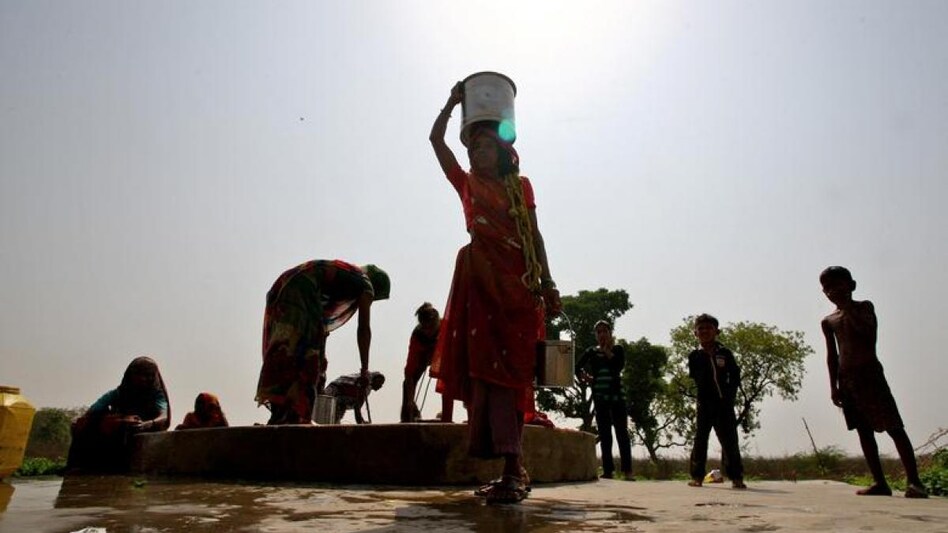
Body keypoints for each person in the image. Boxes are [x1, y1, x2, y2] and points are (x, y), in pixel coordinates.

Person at [428, 81, 561, 504]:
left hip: (517, 293)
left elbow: (535, 237)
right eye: (470, 151)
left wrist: (549, 281)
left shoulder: (520, 188)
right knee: (486, 376)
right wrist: (451, 104)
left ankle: (514, 470)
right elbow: (435, 140)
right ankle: (509, 469)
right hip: (479, 288)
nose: (474, 155)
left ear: (501, 152)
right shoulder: (466, 184)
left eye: (481, 148)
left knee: (514, 376)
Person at [820, 266, 928, 498]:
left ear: (851, 285)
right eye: (828, 288)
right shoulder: (828, 321)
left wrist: (848, 308)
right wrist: (833, 386)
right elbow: (832, 356)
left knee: (894, 427)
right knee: (863, 431)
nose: (833, 291)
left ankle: (915, 481)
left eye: (838, 285)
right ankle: (880, 482)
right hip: (847, 380)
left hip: (870, 375)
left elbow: (868, 334)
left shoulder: (865, 308)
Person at [255, 259, 390, 425]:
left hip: (285, 284)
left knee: (286, 351)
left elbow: (320, 319)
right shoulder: (365, 284)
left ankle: (282, 413)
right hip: (303, 290)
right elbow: (364, 329)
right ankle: (295, 416)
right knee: (307, 358)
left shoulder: (348, 275)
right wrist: (364, 369)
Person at [66, 356, 170, 472]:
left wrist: (147, 424)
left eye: (148, 375)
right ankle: (80, 467)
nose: (144, 379)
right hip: (120, 431)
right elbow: (92, 412)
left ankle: (116, 467)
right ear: (130, 376)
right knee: (81, 423)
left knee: (127, 424)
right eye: (139, 374)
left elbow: (164, 416)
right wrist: (117, 420)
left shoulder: (157, 395)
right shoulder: (118, 393)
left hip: (147, 431)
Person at [686, 314, 746, 489]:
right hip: (704, 404)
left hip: (724, 404)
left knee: (729, 441)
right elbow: (696, 378)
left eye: (708, 328)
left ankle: (736, 477)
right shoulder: (694, 355)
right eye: (701, 328)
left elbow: (734, 376)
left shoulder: (725, 353)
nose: (704, 331)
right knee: (700, 439)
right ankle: (697, 476)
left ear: (716, 331)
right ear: (695, 333)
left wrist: (729, 396)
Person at [575, 320, 633, 479]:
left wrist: (607, 351)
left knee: (622, 433)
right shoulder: (591, 352)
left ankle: (628, 471)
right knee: (605, 434)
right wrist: (584, 378)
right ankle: (608, 470)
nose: (601, 335)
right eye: (598, 332)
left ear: (610, 333)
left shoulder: (618, 349)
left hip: (617, 396)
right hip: (600, 397)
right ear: (595, 335)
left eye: (604, 331)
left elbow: (618, 367)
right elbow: (577, 366)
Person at [400, 302, 441, 422]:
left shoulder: (445, 327)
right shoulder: (417, 336)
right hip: (423, 356)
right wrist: (410, 401)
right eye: (425, 329)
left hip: (443, 353)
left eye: (431, 329)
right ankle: (408, 417)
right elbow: (409, 372)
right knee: (407, 383)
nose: (428, 332)